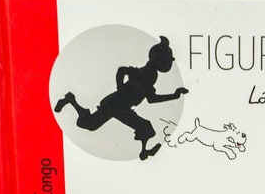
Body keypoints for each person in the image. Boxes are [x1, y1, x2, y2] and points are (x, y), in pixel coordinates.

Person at [54, 35, 188, 160]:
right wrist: (120, 87)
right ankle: (71, 100)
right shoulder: (146, 73)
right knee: (92, 124)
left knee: (94, 124)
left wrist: (174, 95)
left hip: (121, 107)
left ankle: (144, 151)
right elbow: (122, 70)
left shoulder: (151, 75)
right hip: (116, 105)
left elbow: (151, 98)